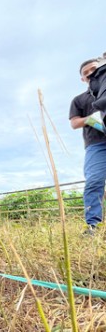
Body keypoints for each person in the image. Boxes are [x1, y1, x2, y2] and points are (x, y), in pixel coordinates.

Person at [69, 58, 106, 235]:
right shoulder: (79, 100)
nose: (91, 74)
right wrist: (92, 119)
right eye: (86, 73)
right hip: (96, 145)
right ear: (83, 79)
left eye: (94, 69)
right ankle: (93, 225)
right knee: (94, 181)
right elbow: (74, 123)